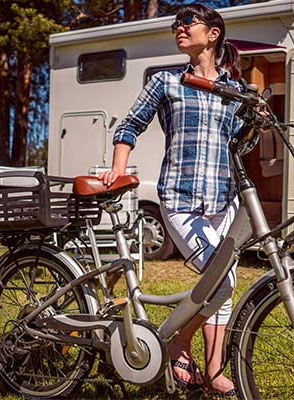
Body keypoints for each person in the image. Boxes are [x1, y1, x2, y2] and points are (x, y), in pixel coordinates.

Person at [99, 4, 243, 396]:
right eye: (175, 23)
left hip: (223, 200)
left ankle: (212, 370)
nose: (178, 27)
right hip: (181, 199)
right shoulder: (166, 81)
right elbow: (131, 123)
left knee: (221, 284)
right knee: (224, 280)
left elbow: (241, 139)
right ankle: (179, 343)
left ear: (213, 34)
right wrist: (118, 167)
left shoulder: (234, 89)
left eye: (187, 22)